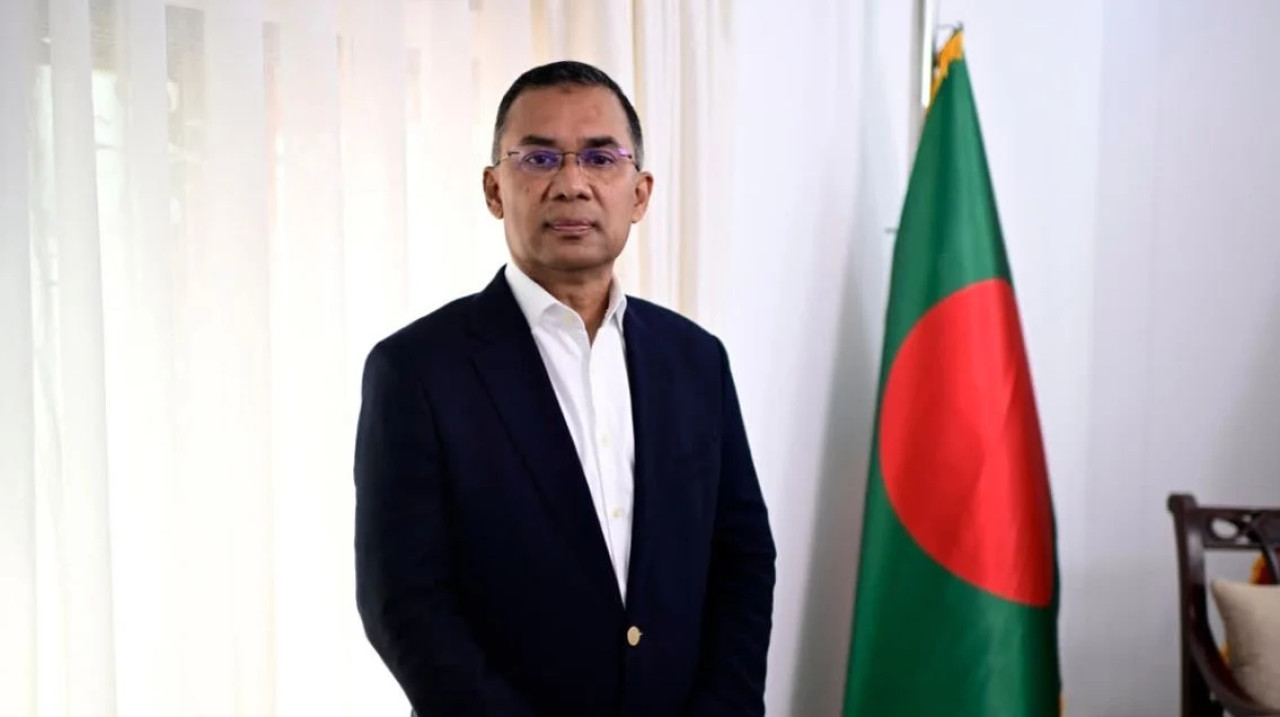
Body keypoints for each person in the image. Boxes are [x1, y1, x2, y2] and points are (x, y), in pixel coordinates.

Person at [354, 60, 776, 716]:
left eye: (601, 158)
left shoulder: (696, 360)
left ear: (640, 193)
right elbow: (405, 604)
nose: (572, 184)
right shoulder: (417, 370)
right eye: (539, 158)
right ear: (494, 189)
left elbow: (742, 559)